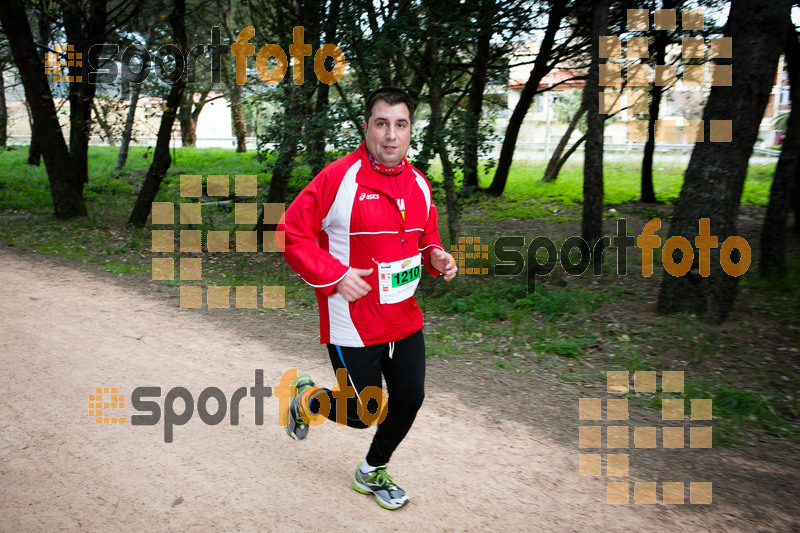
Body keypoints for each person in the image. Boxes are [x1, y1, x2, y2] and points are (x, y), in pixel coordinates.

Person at [279, 87, 457, 510]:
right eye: (382, 124)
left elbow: (425, 239)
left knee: (411, 397)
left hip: (403, 318)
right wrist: (336, 276)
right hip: (352, 321)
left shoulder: (419, 184)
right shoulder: (339, 178)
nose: (391, 135)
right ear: (367, 128)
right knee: (364, 412)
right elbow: (290, 233)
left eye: (400, 125)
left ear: (411, 130)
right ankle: (306, 399)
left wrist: (437, 257)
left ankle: (372, 470)